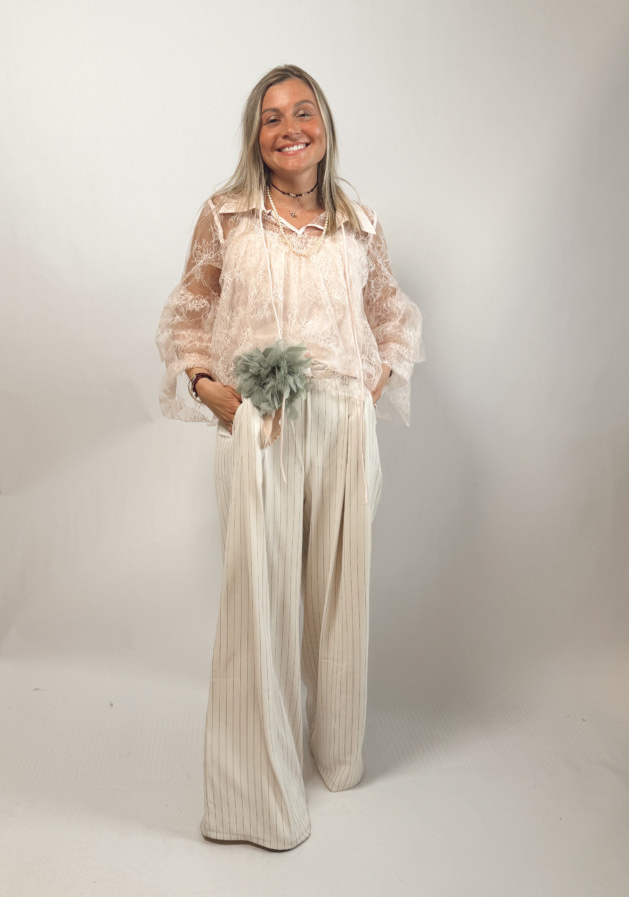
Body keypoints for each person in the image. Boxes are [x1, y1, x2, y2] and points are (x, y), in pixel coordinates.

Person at [155, 64, 424, 851]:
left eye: (303, 112)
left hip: (342, 425)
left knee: (339, 592)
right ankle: (254, 800)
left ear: (325, 127)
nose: (289, 128)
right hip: (259, 424)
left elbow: (392, 315)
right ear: (256, 136)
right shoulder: (226, 215)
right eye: (271, 117)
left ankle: (336, 753)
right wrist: (211, 390)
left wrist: (368, 386)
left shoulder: (359, 224)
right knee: (259, 597)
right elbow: (187, 313)